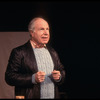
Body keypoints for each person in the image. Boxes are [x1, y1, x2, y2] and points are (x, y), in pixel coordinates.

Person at [5, 17, 66, 99]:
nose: (46, 33)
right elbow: (9, 77)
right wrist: (32, 78)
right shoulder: (19, 52)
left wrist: (59, 77)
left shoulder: (52, 52)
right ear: (32, 33)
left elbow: (62, 70)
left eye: (47, 29)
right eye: (41, 29)